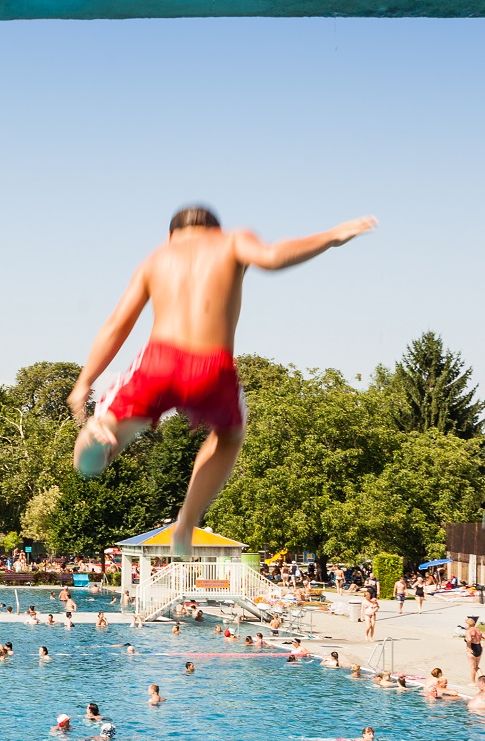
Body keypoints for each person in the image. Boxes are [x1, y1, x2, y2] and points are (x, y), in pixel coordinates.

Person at [67, 205, 375, 555]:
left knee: (106, 438)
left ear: (171, 235)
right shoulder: (231, 241)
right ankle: (186, 521)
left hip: (159, 360)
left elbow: (117, 324)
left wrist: (85, 381)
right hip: (213, 368)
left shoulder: (157, 259)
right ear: (215, 228)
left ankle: (99, 434)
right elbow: (273, 256)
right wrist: (331, 237)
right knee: (230, 435)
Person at [464, 617, 485, 682]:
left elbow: (469, 640)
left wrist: (469, 647)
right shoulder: (478, 630)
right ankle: (483, 679)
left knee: (472, 667)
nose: (465, 625)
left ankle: (473, 682)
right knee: (476, 667)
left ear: (468, 624)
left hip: (473, 647)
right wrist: (483, 646)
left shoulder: (468, 631)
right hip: (479, 647)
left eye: (466, 624)